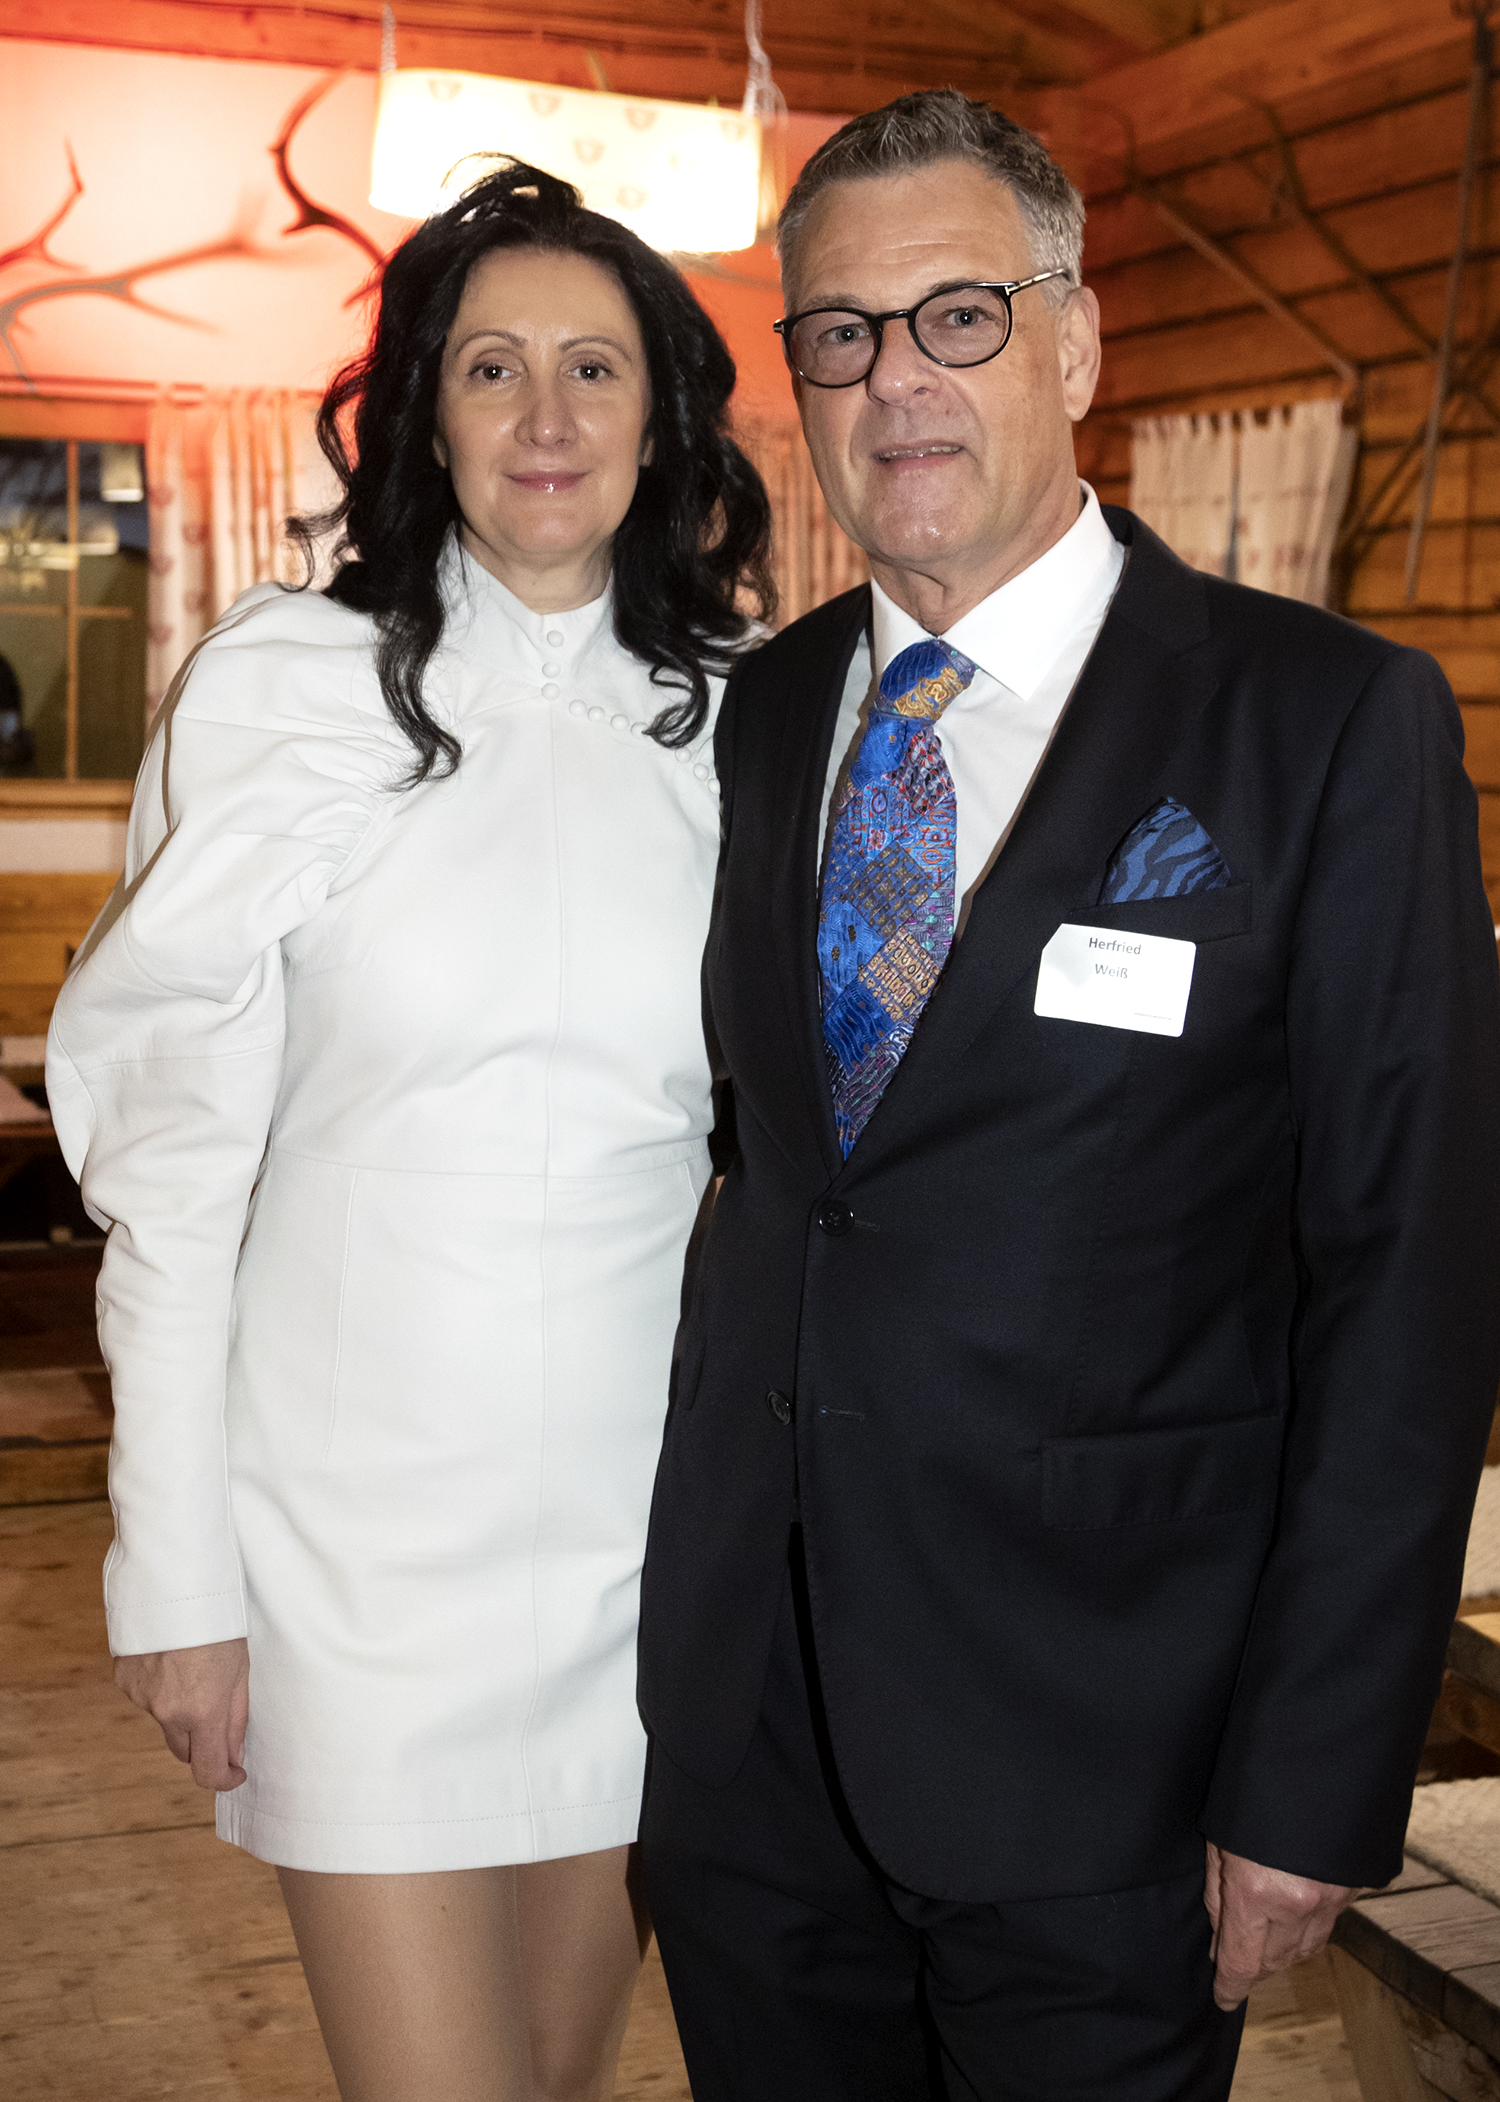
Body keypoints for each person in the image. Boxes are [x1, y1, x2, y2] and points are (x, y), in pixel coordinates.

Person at [636, 89, 1500, 2101]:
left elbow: (1413, 1283)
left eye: (959, 314)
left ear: (1078, 341)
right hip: (754, 1748)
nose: (897, 379)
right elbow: (784, 1180)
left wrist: (1313, 1772)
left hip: (1117, 1765)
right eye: (840, 332)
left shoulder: (1325, 722)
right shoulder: (768, 712)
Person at [46, 160, 771, 2102]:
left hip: (644, 1549)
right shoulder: (284, 685)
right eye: (490, 366)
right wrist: (172, 1571)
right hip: (350, 1560)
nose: (546, 416)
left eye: (595, 368)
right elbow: (174, 1175)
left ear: (663, 418)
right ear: (424, 413)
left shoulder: (743, 722)